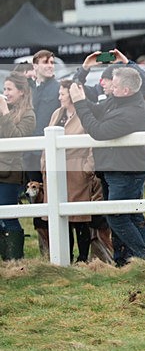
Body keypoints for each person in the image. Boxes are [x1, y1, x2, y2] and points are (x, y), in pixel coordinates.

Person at [71, 67, 145, 266]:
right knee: (129, 216)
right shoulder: (118, 101)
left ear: (126, 90)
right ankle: (124, 261)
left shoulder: (133, 112)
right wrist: (81, 75)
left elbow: (98, 131)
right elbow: (96, 111)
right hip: (114, 168)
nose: (108, 87)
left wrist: (79, 103)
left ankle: (144, 258)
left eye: (114, 85)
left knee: (117, 216)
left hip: (126, 171)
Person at [40, 79, 104, 263]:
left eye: (62, 93)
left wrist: (87, 168)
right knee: (60, 217)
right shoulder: (57, 114)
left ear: (72, 94)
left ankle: (83, 258)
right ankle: (64, 256)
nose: (59, 97)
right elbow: (47, 140)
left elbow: (93, 141)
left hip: (77, 170)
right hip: (55, 171)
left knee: (79, 218)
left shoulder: (84, 114)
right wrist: (44, 163)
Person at [0, 72, 35, 260]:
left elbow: (16, 139)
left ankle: (14, 260)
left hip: (10, 172)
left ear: (21, 92)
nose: (6, 92)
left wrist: (4, 112)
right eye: (4, 88)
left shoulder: (28, 115)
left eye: (9, 89)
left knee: (8, 216)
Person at [24, 50, 60, 183]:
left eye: (52, 62)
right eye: (45, 62)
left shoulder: (58, 88)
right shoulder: (28, 89)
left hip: (49, 152)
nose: (50, 65)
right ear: (35, 66)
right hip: (28, 152)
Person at [73, 49, 145, 103]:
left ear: (116, 81)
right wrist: (85, 67)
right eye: (101, 80)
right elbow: (74, 87)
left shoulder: (131, 97)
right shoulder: (98, 91)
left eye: (106, 79)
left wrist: (127, 62)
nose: (102, 83)